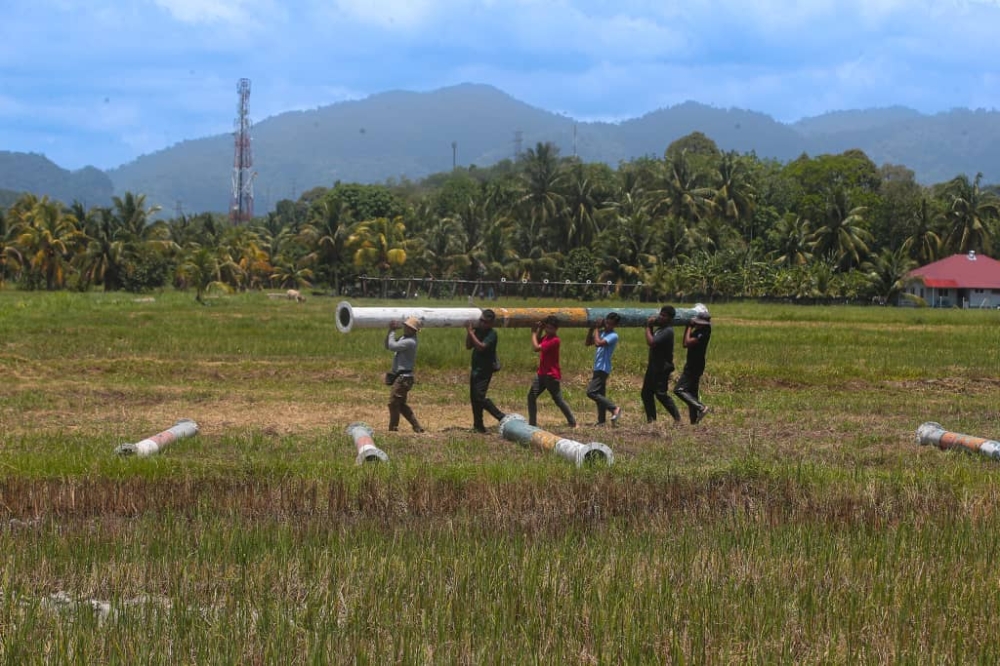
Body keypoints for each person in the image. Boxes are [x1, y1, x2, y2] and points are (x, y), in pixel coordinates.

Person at [527, 315, 577, 428]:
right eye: (547, 327)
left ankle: (572, 422)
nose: (548, 330)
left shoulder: (555, 340)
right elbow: (539, 341)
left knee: (558, 400)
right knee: (531, 396)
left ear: (556, 329)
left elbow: (536, 348)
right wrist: (539, 329)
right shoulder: (546, 337)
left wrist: (533, 332)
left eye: (550, 328)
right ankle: (532, 424)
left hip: (551, 375)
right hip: (541, 374)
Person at [466, 308, 506, 433]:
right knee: (474, 399)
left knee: (479, 397)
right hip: (475, 369)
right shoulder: (477, 331)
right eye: (481, 320)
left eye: (485, 322)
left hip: (485, 370)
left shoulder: (492, 334)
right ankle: (478, 425)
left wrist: (471, 333)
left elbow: (481, 347)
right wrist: (470, 333)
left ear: (491, 323)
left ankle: (501, 416)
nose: (482, 323)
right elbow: (468, 346)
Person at [641, 305, 682, 424]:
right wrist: (651, 328)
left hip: (662, 367)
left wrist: (648, 326)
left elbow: (652, 342)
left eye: (664, 316)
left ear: (670, 318)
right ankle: (651, 420)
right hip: (654, 366)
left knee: (660, 393)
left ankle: (677, 418)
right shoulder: (661, 329)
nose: (661, 317)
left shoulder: (668, 331)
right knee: (646, 393)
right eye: (661, 314)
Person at [385, 316, 425, 433]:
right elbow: (388, 345)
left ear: (413, 330)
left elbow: (392, 346)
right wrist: (389, 332)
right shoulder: (405, 338)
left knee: (393, 403)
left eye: (408, 326)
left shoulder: (410, 341)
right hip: (403, 377)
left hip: (403, 378)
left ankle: (393, 429)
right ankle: (416, 426)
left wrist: (392, 330)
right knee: (401, 404)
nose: (405, 327)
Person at [585, 312, 622, 426]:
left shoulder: (613, 335)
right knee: (600, 395)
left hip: (603, 368)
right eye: (606, 322)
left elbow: (598, 343)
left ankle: (614, 408)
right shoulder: (601, 332)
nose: (607, 325)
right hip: (598, 367)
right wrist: (592, 330)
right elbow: (587, 343)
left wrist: (596, 328)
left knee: (591, 392)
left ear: (615, 325)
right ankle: (601, 421)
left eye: (610, 324)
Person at [675, 311, 712, 424]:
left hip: (693, 365)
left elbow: (686, 343)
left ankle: (701, 407)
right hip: (697, 364)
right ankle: (694, 420)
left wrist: (688, 327)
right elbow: (685, 343)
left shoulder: (702, 333)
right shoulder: (704, 329)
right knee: (692, 392)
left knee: (679, 390)